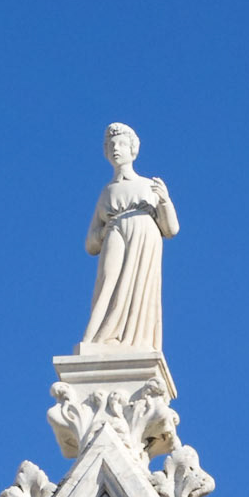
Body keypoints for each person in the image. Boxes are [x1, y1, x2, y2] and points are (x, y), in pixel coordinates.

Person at [80, 123, 179, 352]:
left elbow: (171, 229)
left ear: (133, 149)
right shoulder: (107, 192)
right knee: (108, 283)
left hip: (145, 238)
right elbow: (90, 243)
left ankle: (134, 339)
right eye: (112, 144)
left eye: (122, 143)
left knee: (138, 289)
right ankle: (98, 337)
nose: (116, 148)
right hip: (115, 234)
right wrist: (104, 232)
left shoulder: (149, 185)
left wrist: (165, 201)